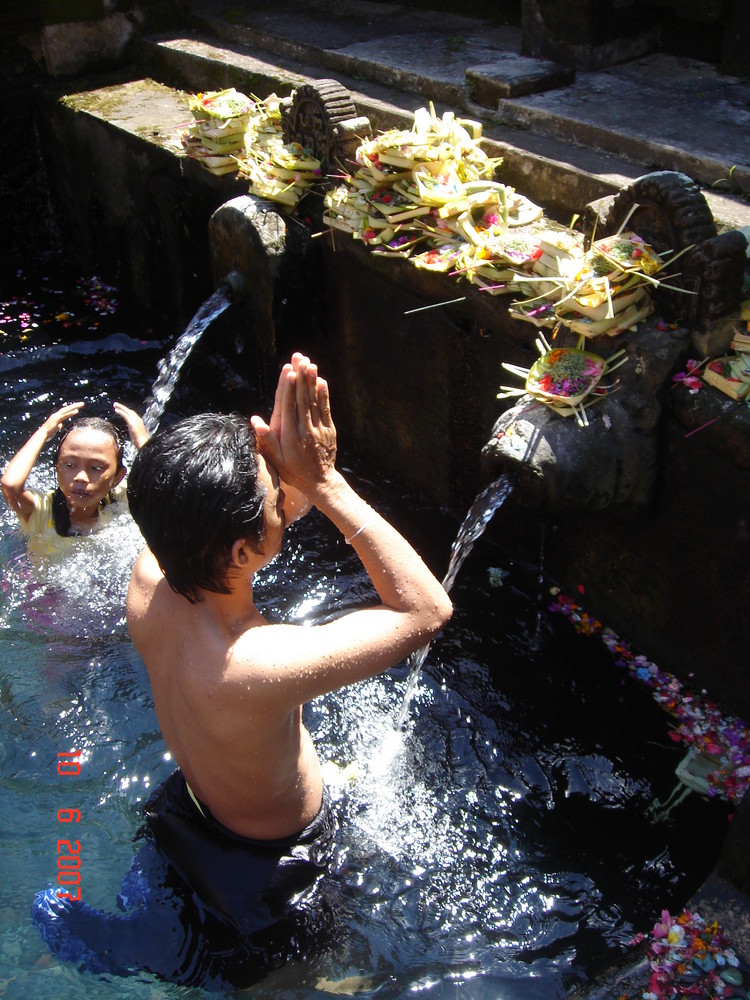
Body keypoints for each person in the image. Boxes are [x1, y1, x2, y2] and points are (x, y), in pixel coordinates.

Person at [1, 401, 148, 548]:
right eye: (70, 465)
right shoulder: (42, 511)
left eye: (96, 468)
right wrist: (44, 432)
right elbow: (11, 486)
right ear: (57, 467)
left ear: (117, 477)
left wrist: (143, 442)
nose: (81, 477)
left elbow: (166, 497)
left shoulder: (120, 500)